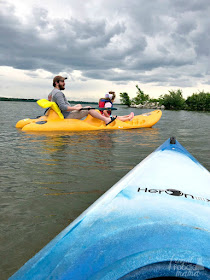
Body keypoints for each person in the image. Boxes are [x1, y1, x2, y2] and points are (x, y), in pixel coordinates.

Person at [48, 76, 117, 126]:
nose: (64, 83)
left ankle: (79, 113)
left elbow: (49, 97)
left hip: (64, 113)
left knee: (79, 105)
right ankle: (106, 120)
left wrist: (77, 107)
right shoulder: (58, 93)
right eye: (62, 81)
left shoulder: (53, 91)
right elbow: (63, 107)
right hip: (66, 115)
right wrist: (75, 108)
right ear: (56, 83)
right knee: (89, 109)